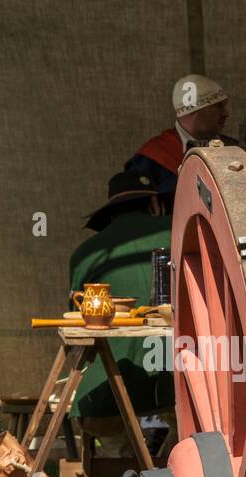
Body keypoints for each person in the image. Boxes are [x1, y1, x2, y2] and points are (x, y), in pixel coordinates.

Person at [68, 173, 174, 422]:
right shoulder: (178, 229)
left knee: (106, 428)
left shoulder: (83, 255)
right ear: (155, 205)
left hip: (109, 399)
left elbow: (78, 336)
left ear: (110, 214)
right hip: (178, 388)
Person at [126, 75, 233, 209]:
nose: (226, 113)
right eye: (218, 106)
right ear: (194, 110)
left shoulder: (234, 149)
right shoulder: (151, 159)